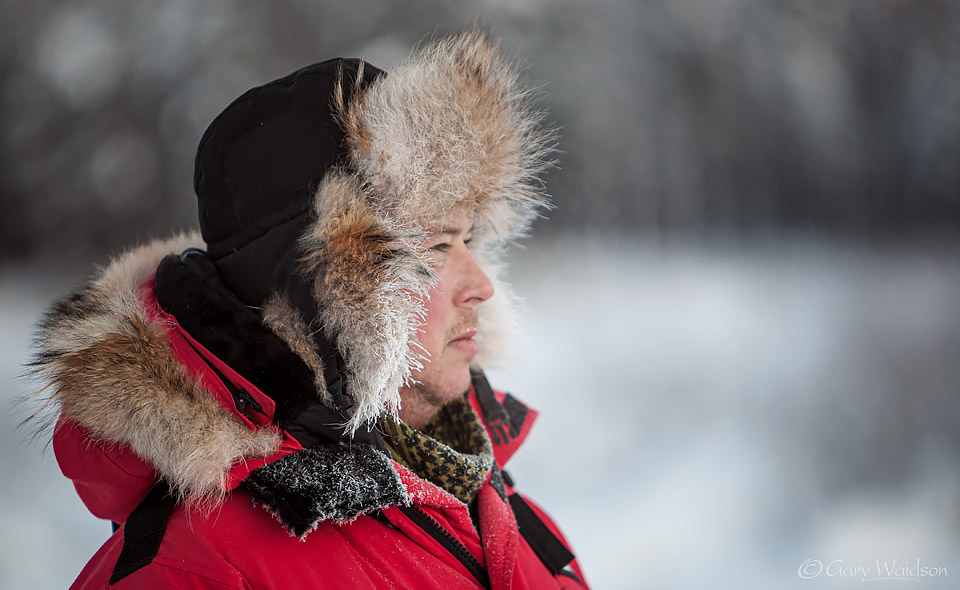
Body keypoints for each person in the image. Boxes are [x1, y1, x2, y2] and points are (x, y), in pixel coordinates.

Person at [30, 29, 588, 589]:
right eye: (438, 246)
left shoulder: (501, 510)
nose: (482, 286)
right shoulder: (197, 571)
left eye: (470, 240)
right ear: (320, 293)